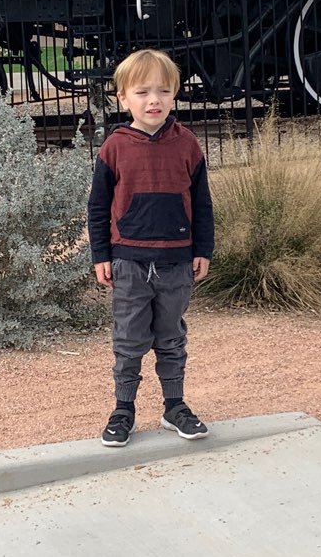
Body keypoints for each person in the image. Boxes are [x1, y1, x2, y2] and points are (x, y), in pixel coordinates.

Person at [87, 48, 215, 448]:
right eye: (142, 92)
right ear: (123, 98)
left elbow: (204, 203)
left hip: (177, 261)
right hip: (129, 262)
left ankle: (174, 406)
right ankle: (123, 409)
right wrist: (101, 255)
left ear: (174, 95)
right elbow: (97, 205)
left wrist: (203, 249)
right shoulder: (115, 146)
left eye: (163, 91)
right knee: (128, 340)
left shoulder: (188, 145)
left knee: (171, 337)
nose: (153, 100)